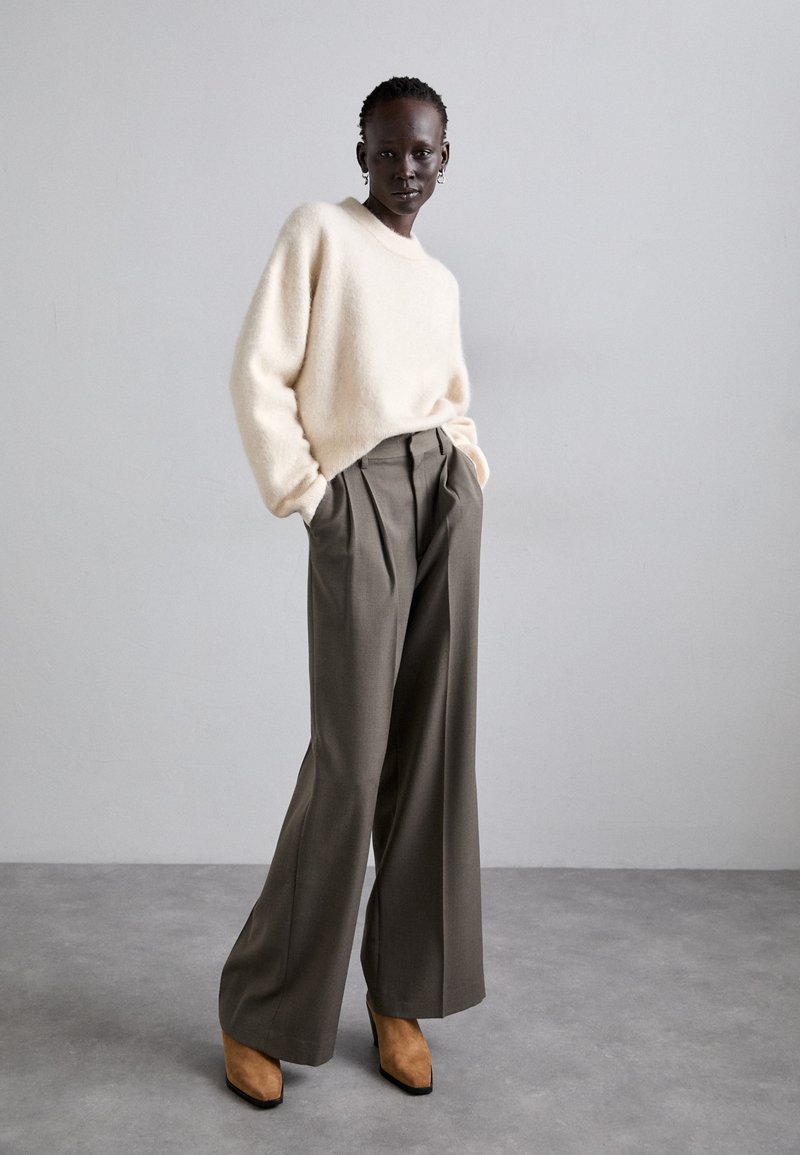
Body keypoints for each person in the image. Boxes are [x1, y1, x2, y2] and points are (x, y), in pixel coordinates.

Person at [218, 75, 490, 1108]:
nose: (405, 169)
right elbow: (257, 371)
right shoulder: (320, 232)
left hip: (442, 494)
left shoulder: (440, 280)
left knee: (432, 749)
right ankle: (261, 1008)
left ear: (445, 158)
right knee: (352, 759)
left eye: (423, 152)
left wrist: (468, 470)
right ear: (361, 152)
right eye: (388, 150)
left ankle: (399, 997)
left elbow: (449, 397)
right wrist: (311, 495)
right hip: (360, 496)